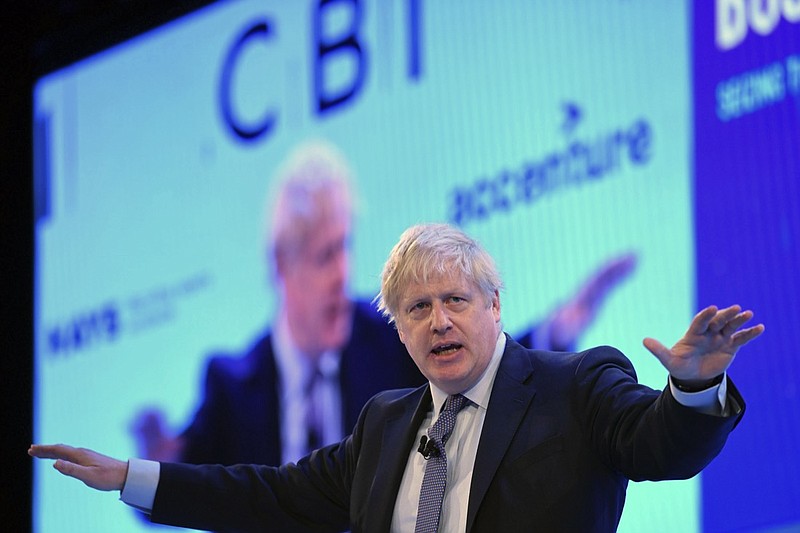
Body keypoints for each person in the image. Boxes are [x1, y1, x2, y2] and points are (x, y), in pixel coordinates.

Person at [31, 222, 764, 532]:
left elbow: (659, 449)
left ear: (495, 305)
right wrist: (136, 476)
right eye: (418, 308)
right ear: (399, 328)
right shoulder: (385, 423)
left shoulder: (575, 383)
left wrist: (693, 389)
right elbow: (272, 495)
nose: (439, 320)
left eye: (455, 300)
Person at [132, 140, 637, 467]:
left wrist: (557, 331)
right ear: (282, 266)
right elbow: (187, 483)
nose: (343, 274)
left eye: (346, 247)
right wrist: (154, 462)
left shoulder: (386, 335)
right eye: (324, 255)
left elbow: (476, 363)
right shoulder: (231, 388)